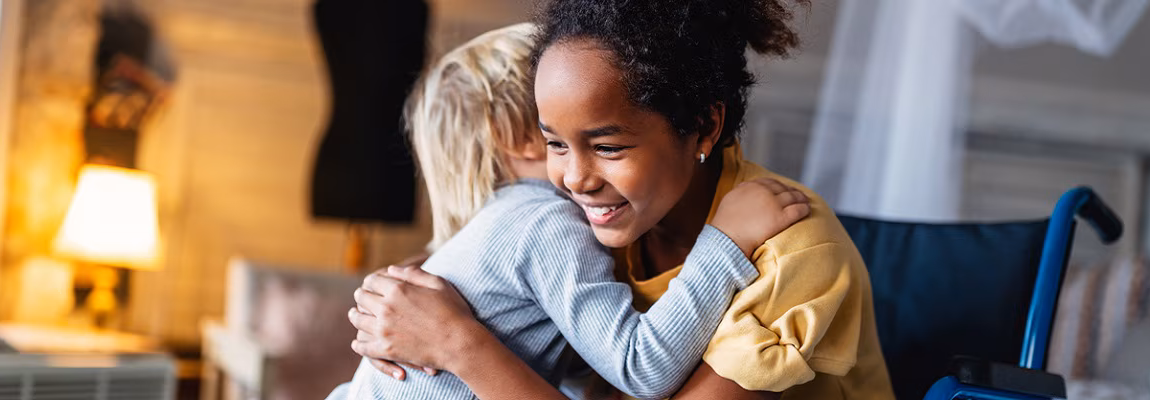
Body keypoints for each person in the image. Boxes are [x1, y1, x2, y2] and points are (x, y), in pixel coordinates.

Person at [347, 0, 897, 398]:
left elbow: (637, 369)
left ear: (705, 126)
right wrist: (407, 292)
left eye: (608, 147)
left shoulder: (790, 249)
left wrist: (456, 342)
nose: (575, 179)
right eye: (555, 143)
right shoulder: (604, 224)